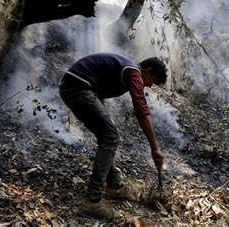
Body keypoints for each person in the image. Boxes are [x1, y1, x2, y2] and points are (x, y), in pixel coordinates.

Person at [59, 53, 167, 220]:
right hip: (78, 87)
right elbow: (141, 109)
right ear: (147, 70)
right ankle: (92, 201)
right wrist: (155, 148)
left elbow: (99, 84)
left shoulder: (128, 68)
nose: (148, 87)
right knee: (110, 136)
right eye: (151, 82)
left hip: (79, 87)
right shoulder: (134, 72)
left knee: (107, 134)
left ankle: (114, 186)